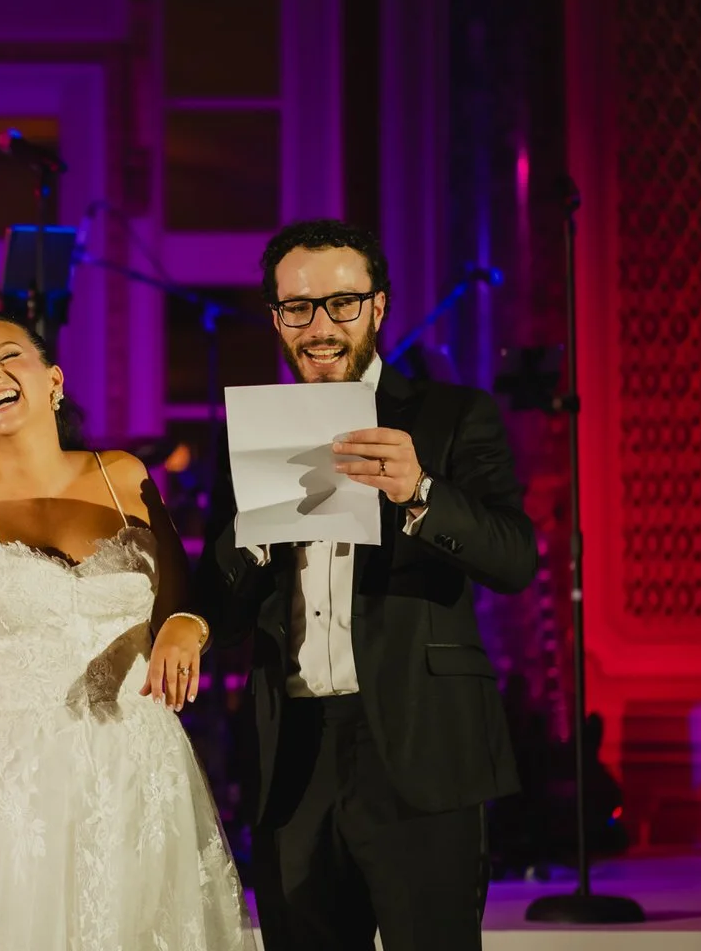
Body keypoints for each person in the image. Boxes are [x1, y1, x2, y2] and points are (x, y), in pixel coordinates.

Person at [193, 219, 538, 950]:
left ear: (378, 308)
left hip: (420, 743)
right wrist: (249, 538)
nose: (320, 326)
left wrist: (419, 492)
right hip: (293, 753)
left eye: (342, 304)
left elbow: (514, 559)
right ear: (277, 317)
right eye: (298, 308)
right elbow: (217, 610)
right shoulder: (246, 433)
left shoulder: (451, 415)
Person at [0, 313, 252, 949]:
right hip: (7, 785)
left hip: (136, 766)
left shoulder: (124, 475)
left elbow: (185, 598)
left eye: (7, 356)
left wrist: (187, 626)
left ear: (53, 381)